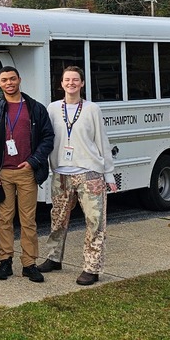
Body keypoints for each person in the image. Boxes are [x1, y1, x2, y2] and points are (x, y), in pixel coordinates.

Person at [39, 66, 117, 286]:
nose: (71, 83)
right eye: (67, 80)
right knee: (58, 220)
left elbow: (102, 141)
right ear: (61, 84)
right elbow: (47, 139)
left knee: (95, 222)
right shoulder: (53, 109)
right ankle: (54, 258)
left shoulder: (92, 109)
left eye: (75, 80)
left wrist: (108, 174)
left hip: (89, 174)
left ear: (82, 83)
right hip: (61, 174)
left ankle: (91, 268)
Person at [0, 66, 54, 283]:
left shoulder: (35, 108)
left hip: (26, 172)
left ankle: (29, 264)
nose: (9, 83)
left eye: (12, 79)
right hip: (3, 172)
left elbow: (48, 137)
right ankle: (5, 262)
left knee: (28, 220)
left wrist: (33, 162)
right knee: (4, 219)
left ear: (19, 79)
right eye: (4, 80)